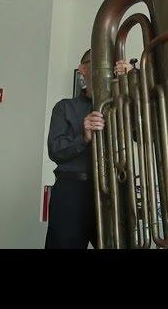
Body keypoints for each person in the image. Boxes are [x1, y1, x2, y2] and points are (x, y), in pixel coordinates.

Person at [45, 49, 105, 249]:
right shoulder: (64, 108)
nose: (104, 68)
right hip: (72, 192)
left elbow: (140, 137)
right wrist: (83, 136)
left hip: (111, 192)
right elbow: (55, 150)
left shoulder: (121, 105)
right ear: (82, 69)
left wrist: (133, 83)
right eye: (97, 61)